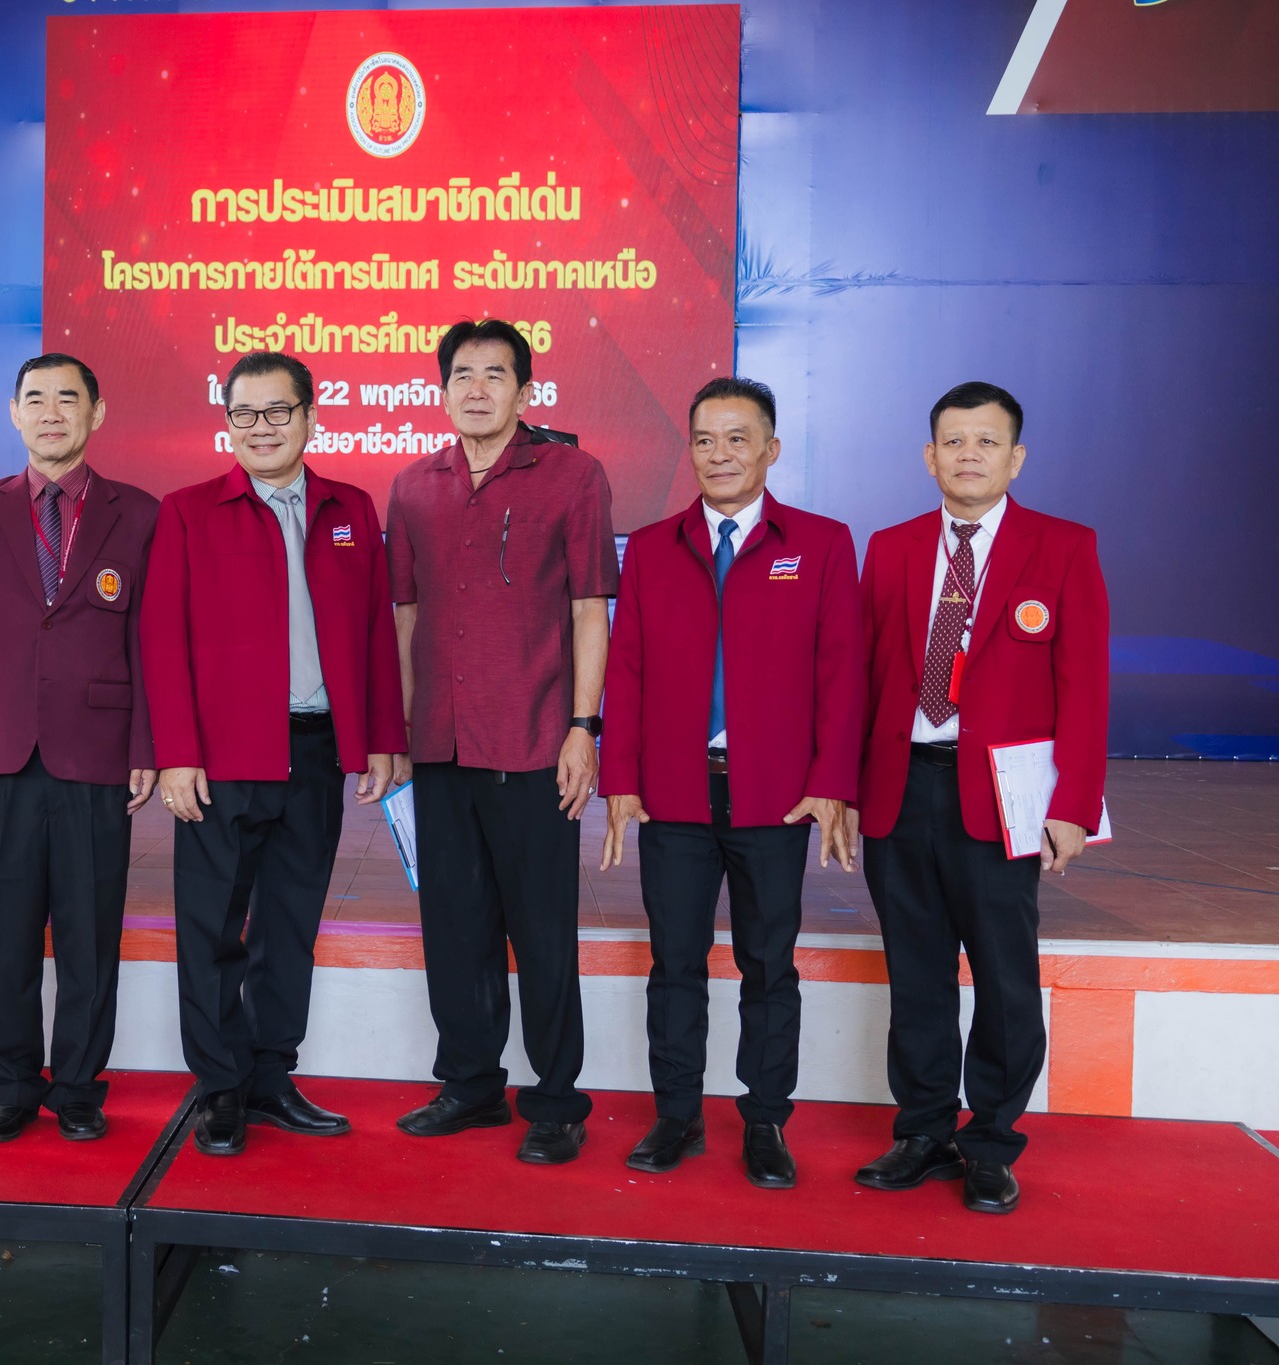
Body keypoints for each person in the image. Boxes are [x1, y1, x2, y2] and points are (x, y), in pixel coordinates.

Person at [597, 377, 862, 1187]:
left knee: (768, 965)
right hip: (673, 793)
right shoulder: (650, 545)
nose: (719, 454)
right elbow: (628, 669)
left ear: (771, 449)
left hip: (775, 796)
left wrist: (831, 783)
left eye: (737, 438)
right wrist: (621, 781)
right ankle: (676, 1114)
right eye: (705, 439)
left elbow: (841, 673)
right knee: (674, 962)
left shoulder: (818, 543)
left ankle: (766, 1120)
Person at [853, 382, 1109, 1214]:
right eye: (953, 441)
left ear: (1015, 457)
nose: (968, 454)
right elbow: (866, 676)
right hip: (901, 789)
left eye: (986, 442)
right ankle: (923, 1130)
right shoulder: (889, 547)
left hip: (1003, 797)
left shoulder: (1063, 546)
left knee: (1005, 976)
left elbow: (1086, 684)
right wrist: (848, 790)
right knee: (916, 974)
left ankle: (991, 1141)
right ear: (929, 456)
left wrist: (1073, 800)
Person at [141, 351, 404, 1156]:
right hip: (222, 757)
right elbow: (161, 638)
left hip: (317, 752)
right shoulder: (187, 510)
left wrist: (385, 737)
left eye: (277, 411)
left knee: (289, 926)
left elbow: (373, 635)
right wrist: (179, 754)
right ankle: (221, 1088)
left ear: (310, 416)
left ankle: (272, 1075)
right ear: (227, 423)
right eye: (245, 414)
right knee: (213, 925)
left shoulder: (350, 507)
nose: (262, 428)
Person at [385, 318, 616, 1165]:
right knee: (454, 926)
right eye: (461, 375)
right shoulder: (413, 486)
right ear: (441, 389)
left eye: (495, 374)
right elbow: (406, 615)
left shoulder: (572, 475)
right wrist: (404, 734)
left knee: (542, 931)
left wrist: (583, 727)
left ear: (526, 390)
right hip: (440, 748)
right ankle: (471, 1083)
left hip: (533, 740)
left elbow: (591, 608)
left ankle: (555, 1099)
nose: (476, 389)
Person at [0, 355, 158, 1143]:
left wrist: (146, 742)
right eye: (36, 399)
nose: (52, 411)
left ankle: (77, 1086)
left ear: (97, 412)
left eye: (69, 398)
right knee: (3, 927)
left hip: (98, 746)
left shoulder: (137, 512)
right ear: (13, 412)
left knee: (92, 927)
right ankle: (10, 1083)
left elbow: (147, 638)